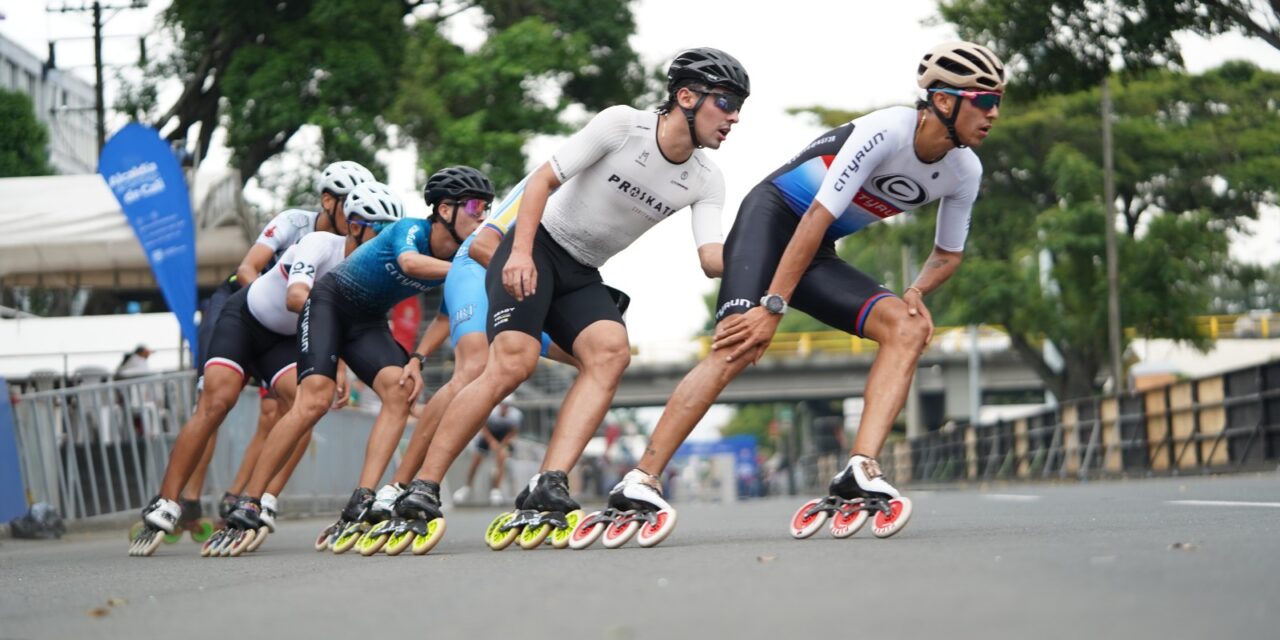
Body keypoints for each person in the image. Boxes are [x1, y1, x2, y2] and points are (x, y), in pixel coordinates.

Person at [612, 41, 1006, 544]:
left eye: (997, 101)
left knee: (906, 328)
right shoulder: (887, 130)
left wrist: (916, 290)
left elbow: (948, 254)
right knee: (739, 345)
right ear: (945, 101)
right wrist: (772, 308)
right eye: (984, 100)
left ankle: (859, 469)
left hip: (814, 248)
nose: (993, 113)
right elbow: (815, 215)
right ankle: (639, 480)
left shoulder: (964, 170)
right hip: (772, 219)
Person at [395, 47, 749, 547]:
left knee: (610, 353)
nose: (734, 117)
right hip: (536, 243)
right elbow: (542, 181)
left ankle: (548, 482)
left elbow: (711, 258)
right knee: (511, 364)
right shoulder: (623, 126)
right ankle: (424, 488)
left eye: (739, 107)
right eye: (726, 102)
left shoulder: (707, 178)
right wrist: (517, 252)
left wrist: (769, 257)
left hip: (581, 270)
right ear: (686, 97)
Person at [223, 167, 492, 553]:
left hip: (367, 320)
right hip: (330, 302)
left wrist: (416, 358)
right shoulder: (411, 229)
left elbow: (446, 318)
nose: (482, 215)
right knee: (314, 400)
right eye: (473, 205)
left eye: (487, 208)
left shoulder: (465, 256)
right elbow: (411, 265)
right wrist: (467, 271)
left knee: (400, 392)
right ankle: (249, 498)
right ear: (444, 209)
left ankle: (362, 498)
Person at [129, 180, 398, 556]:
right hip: (245, 321)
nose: (388, 240)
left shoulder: (368, 271)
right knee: (216, 404)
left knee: (306, 407)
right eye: (382, 231)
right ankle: (166, 501)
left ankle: (262, 499)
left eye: (393, 233)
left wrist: (338, 368)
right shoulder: (318, 242)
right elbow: (295, 297)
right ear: (354, 226)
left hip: (282, 342)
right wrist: (328, 328)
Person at [186, 160, 374, 527]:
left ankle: (240, 497)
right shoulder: (294, 223)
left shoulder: (349, 250)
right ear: (327, 201)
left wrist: (337, 367)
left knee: (280, 411)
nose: (355, 215)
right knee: (213, 400)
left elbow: (335, 315)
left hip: (288, 324)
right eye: (348, 203)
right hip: (242, 305)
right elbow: (247, 270)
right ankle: (190, 497)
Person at [454, 401, 523, 506]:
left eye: (507, 406)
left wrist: (501, 445)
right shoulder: (492, 412)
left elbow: (513, 432)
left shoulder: (516, 415)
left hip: (503, 437)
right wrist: (491, 442)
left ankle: (496, 490)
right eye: (503, 405)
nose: (505, 408)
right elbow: (483, 427)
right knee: (476, 460)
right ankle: (467, 487)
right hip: (488, 435)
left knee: (502, 457)